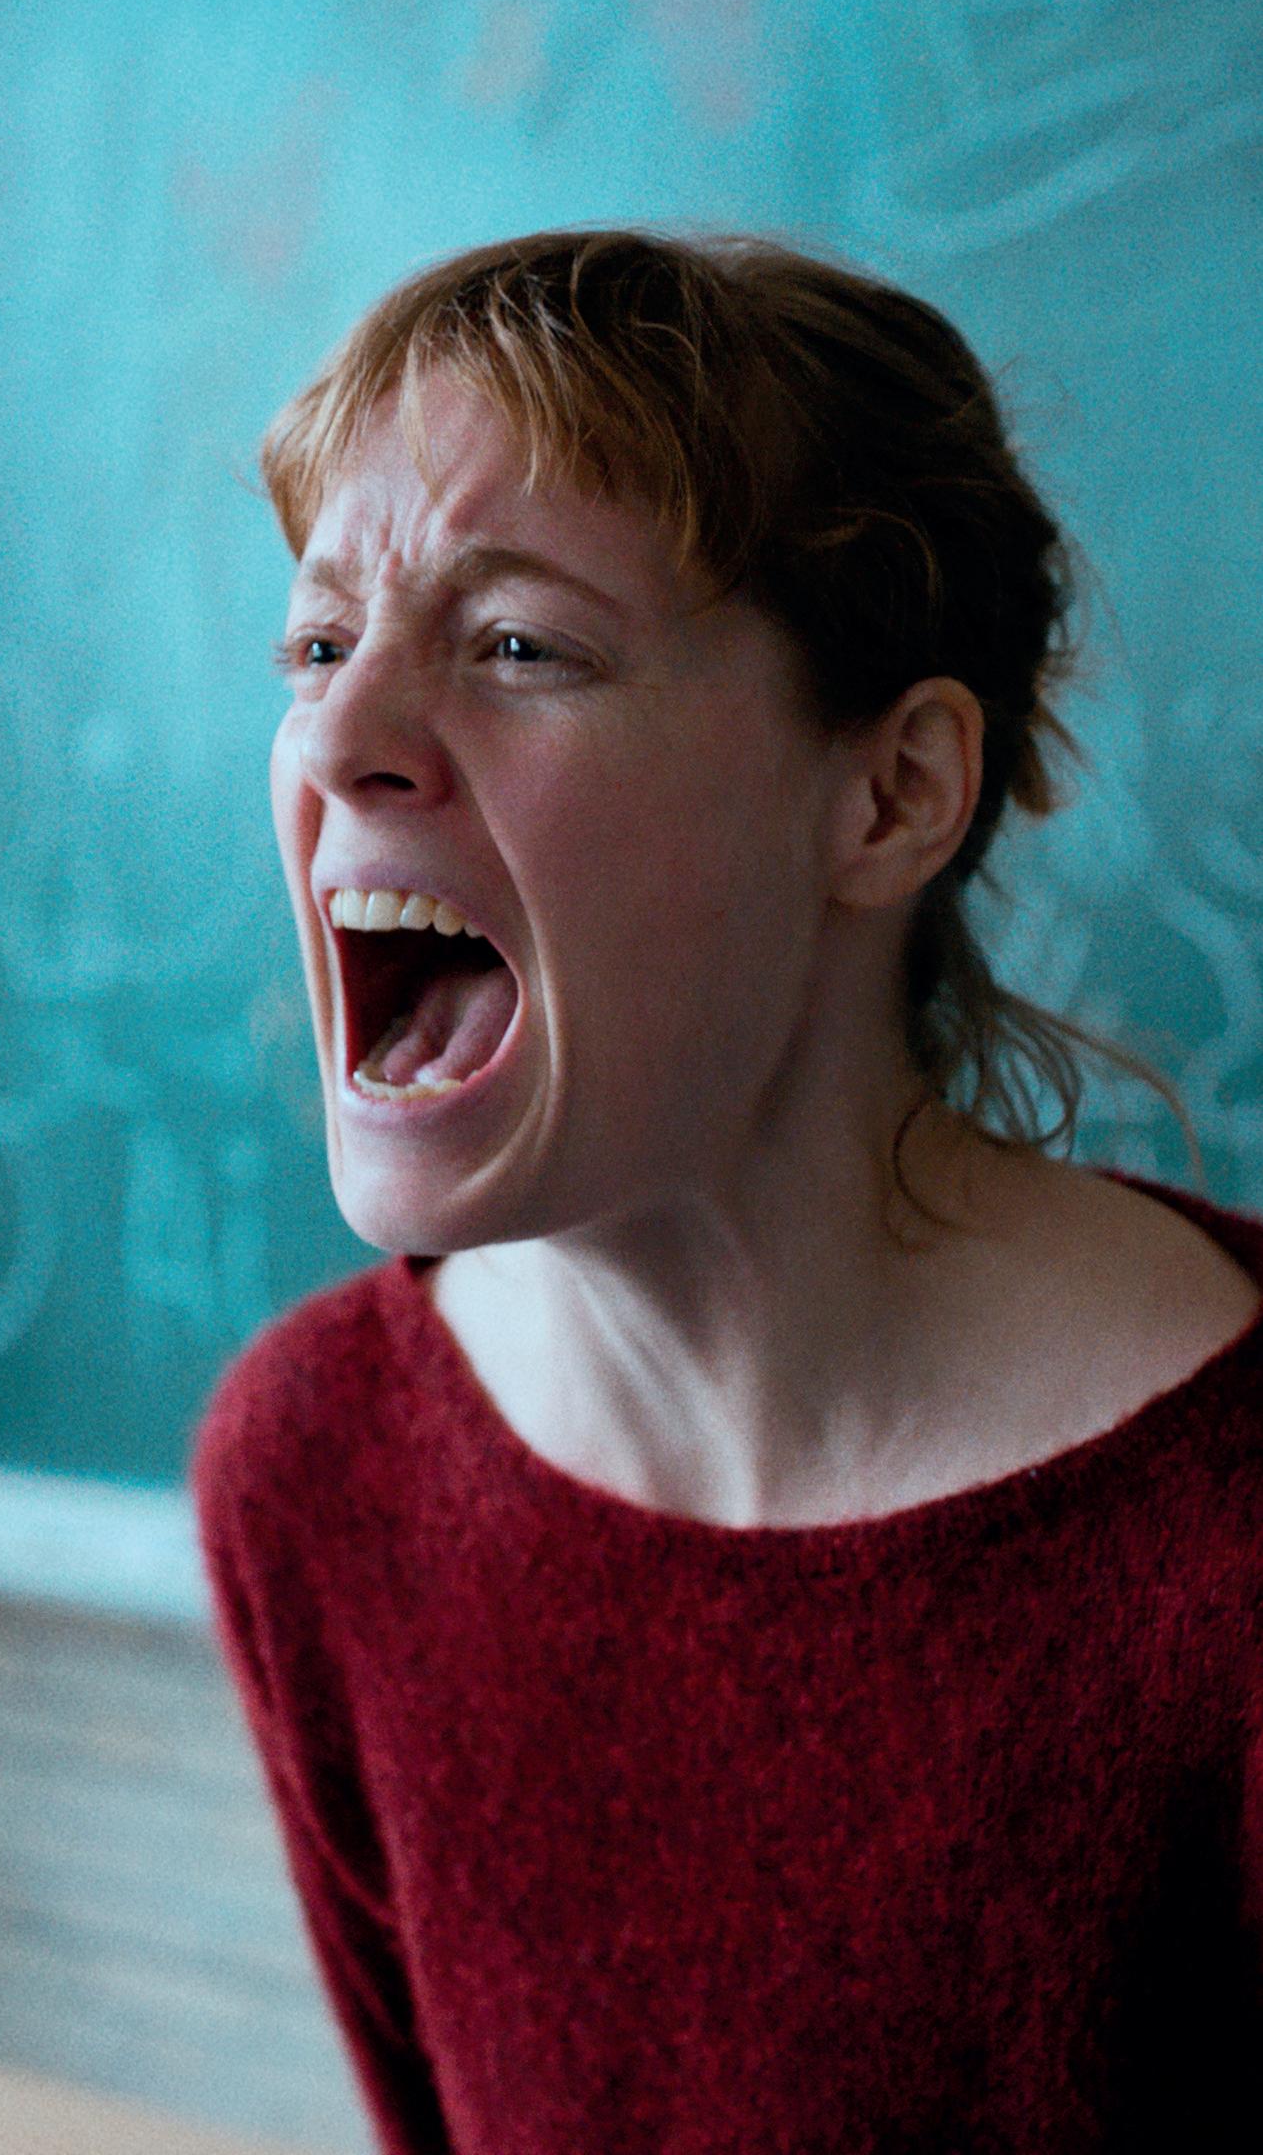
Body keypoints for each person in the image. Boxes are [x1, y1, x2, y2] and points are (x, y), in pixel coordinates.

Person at [192, 229, 1263, 2153]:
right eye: (320, 646)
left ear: (892, 796)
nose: (339, 741)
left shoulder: (1232, 1545)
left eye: (519, 646)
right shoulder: (314, 1467)